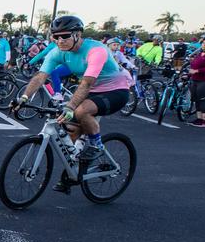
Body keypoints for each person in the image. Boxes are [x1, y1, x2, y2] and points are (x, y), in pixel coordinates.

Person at [14, 16, 132, 169]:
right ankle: (75, 171)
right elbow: (40, 77)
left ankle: (97, 145)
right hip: (91, 91)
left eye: (65, 36)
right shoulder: (58, 52)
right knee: (71, 131)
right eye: (55, 36)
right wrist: (23, 98)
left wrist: (70, 107)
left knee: (81, 111)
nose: (60, 40)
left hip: (116, 90)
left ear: (78, 34)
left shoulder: (96, 50)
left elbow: (87, 83)